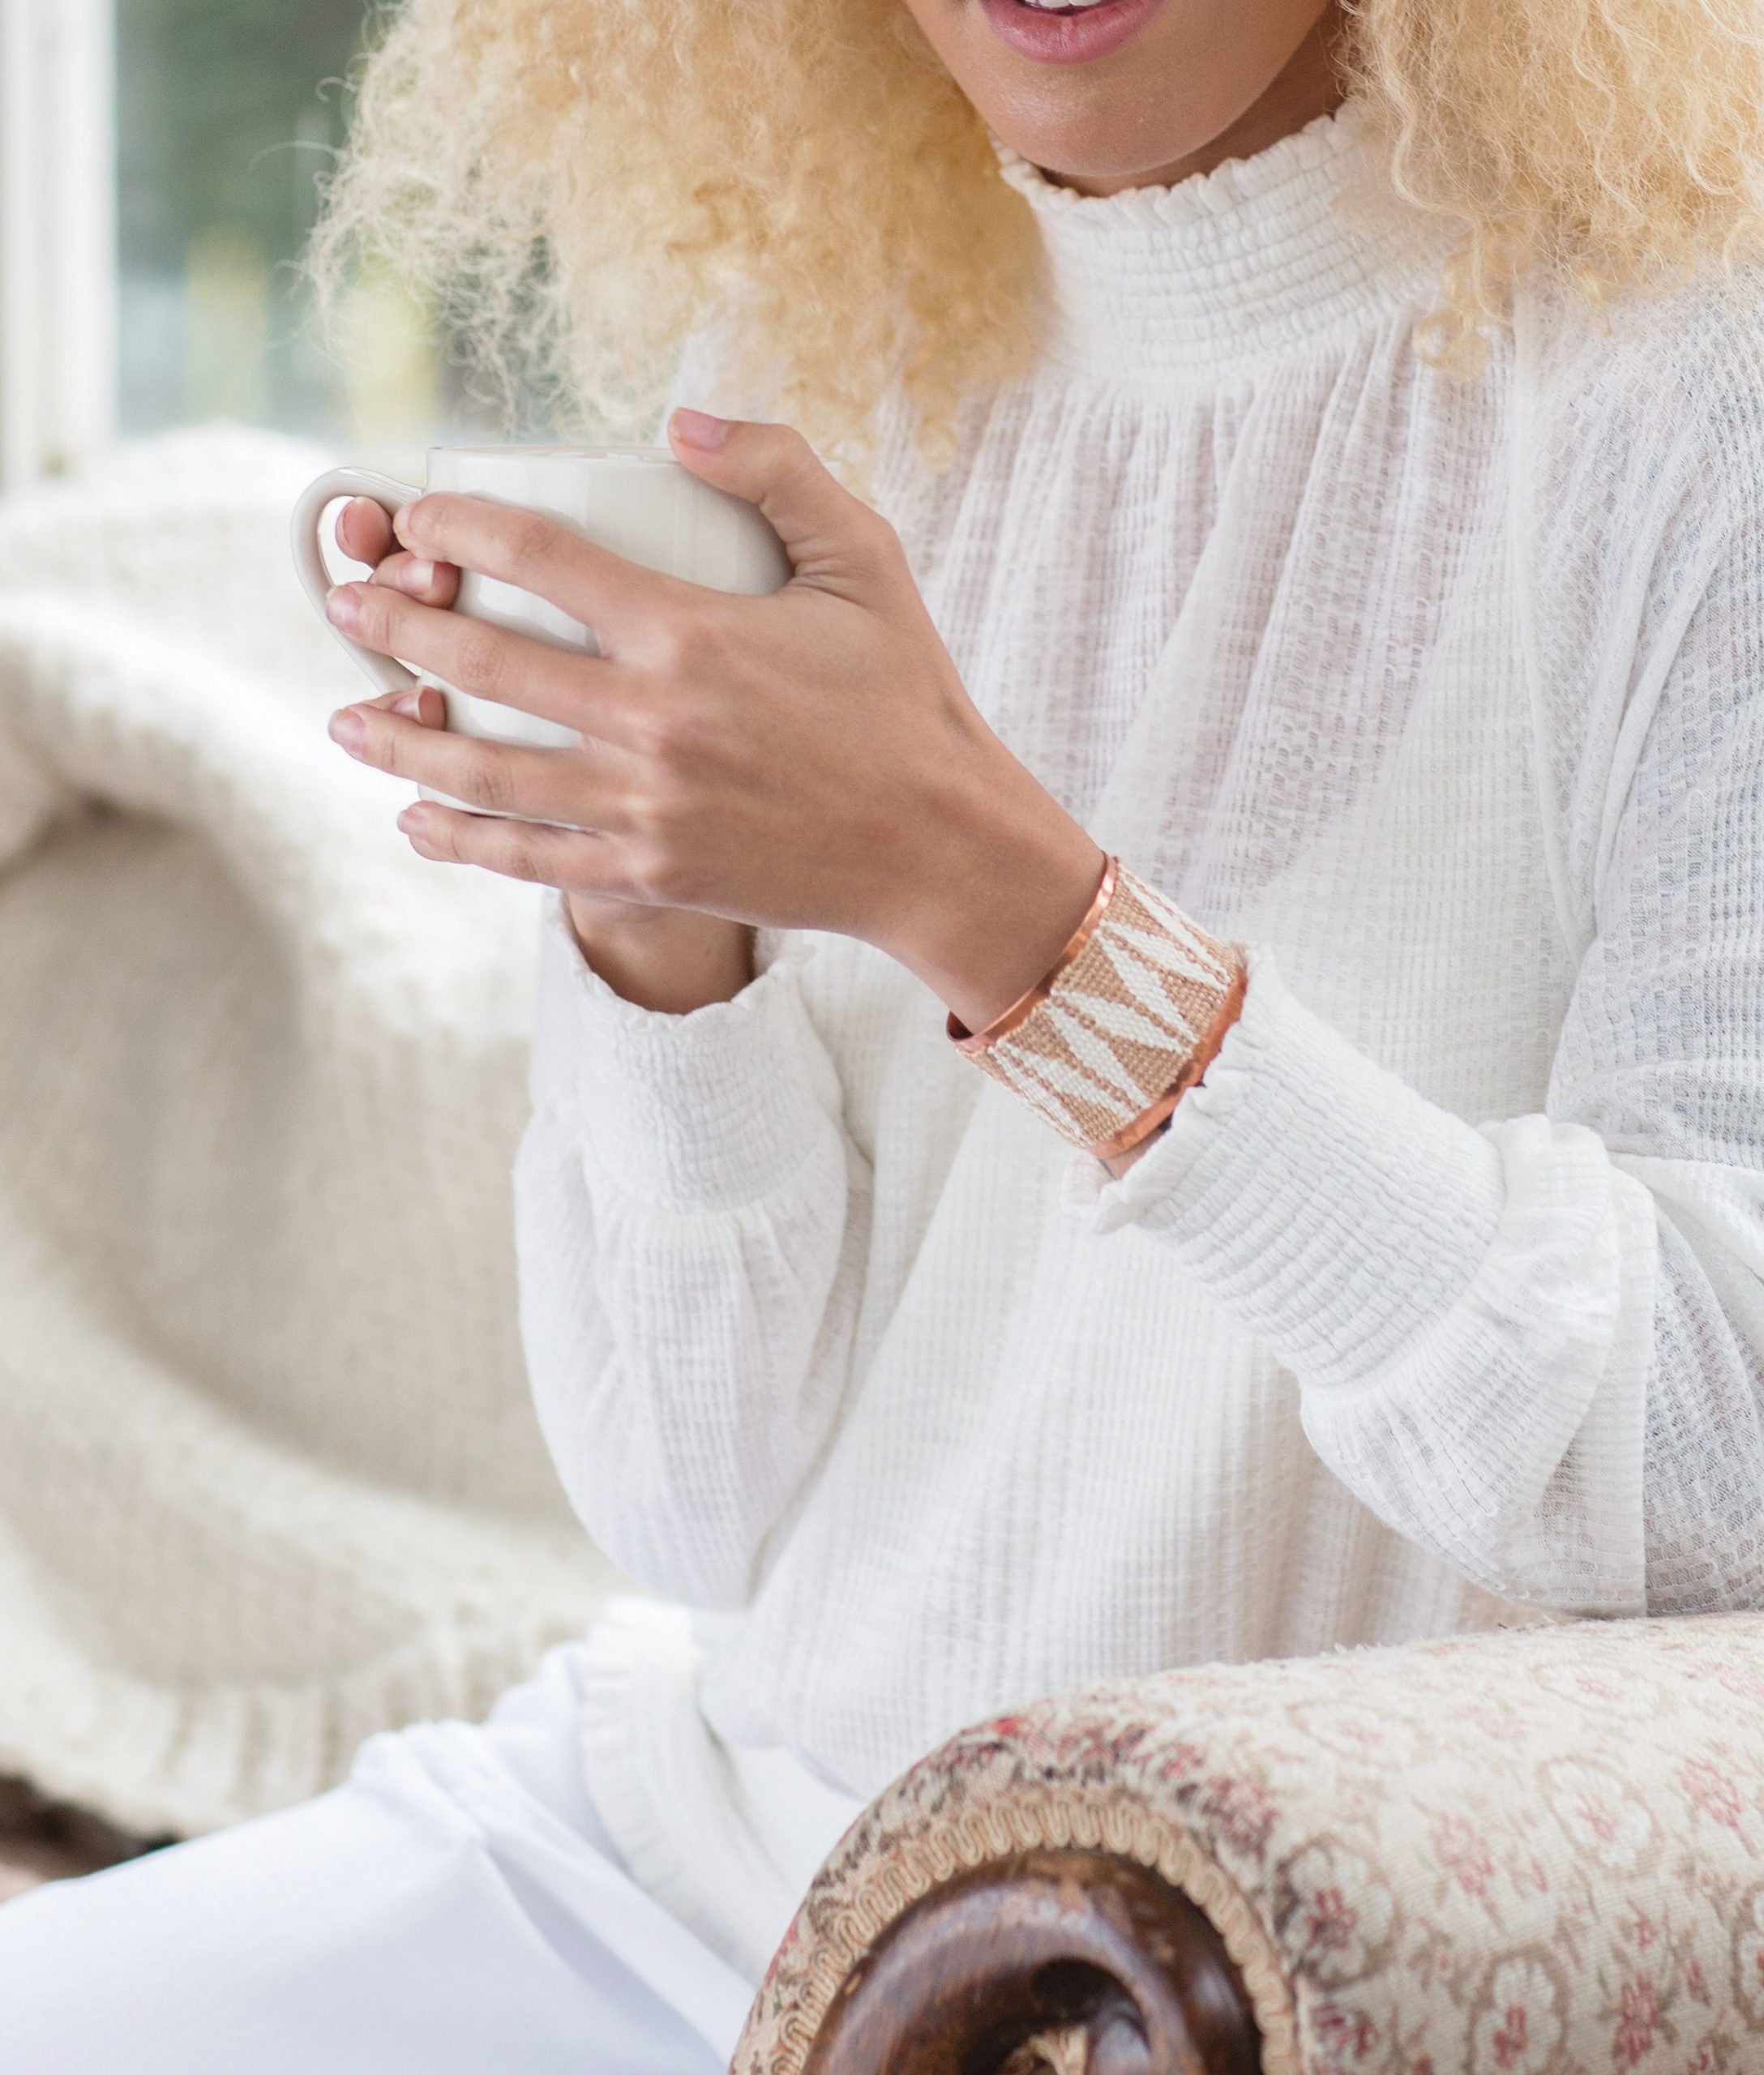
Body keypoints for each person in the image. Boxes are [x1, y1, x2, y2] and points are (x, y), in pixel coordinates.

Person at [6, 0, 1764, 2064]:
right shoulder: (826, 344)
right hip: (685, 1855)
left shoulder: (1690, 396)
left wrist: (1009, 915)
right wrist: (657, 925)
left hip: (1189, 1975)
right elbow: (690, 1511)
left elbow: (1705, 1459)